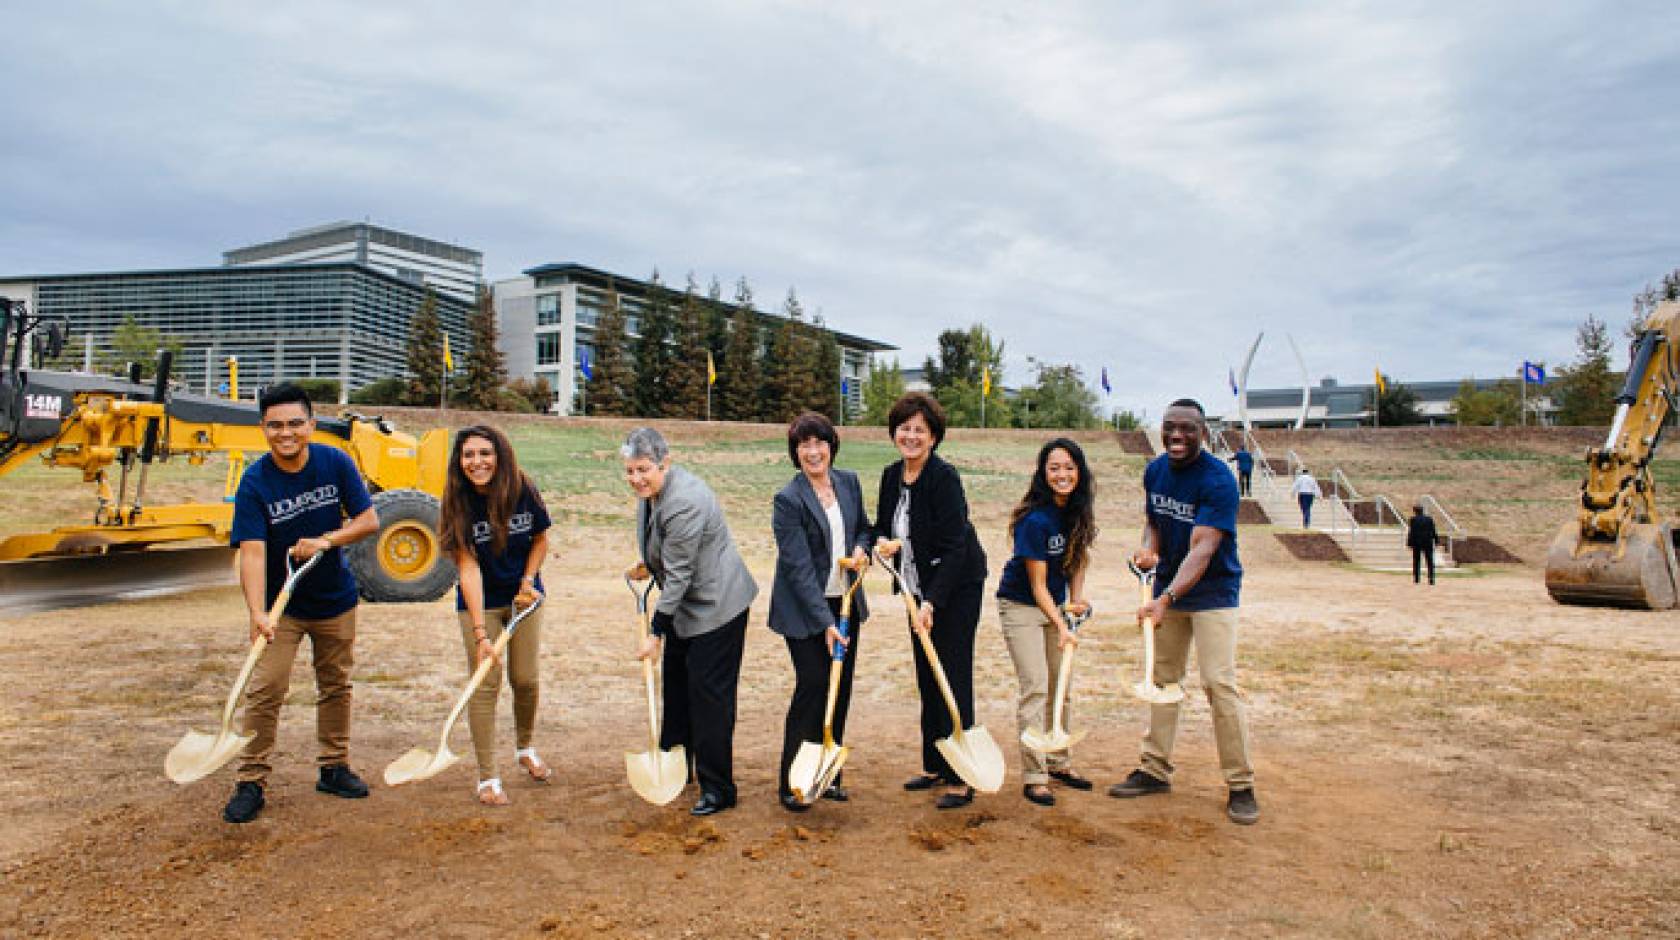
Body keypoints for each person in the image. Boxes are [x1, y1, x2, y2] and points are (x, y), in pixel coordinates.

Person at [223, 382, 381, 824]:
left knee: (335, 684)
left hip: (336, 599)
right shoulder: (255, 481)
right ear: (263, 429)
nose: (286, 433)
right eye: (275, 425)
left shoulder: (335, 462)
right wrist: (257, 611)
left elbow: (369, 520)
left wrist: (326, 541)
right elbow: (251, 551)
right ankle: (251, 780)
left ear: (311, 424)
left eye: (295, 423)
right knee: (266, 689)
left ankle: (333, 767)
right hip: (282, 606)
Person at [1109, 398, 1259, 826]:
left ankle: (1241, 784)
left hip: (1212, 593)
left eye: (1187, 429)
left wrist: (1165, 599)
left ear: (1203, 433)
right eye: (1169, 427)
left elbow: (1204, 548)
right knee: (1162, 681)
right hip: (1166, 592)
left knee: (1218, 684)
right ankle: (1154, 770)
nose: (1177, 436)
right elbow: (1155, 520)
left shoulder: (1219, 480)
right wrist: (1150, 550)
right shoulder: (1155, 470)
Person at [624, 427, 758, 817]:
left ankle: (719, 788)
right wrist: (649, 564)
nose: (636, 478)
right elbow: (666, 549)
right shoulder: (652, 493)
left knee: (708, 697)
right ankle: (677, 767)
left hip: (717, 607)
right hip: (686, 604)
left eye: (644, 469)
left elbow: (681, 574)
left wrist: (654, 633)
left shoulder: (685, 501)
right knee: (678, 688)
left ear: (665, 462)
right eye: (630, 470)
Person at [873, 392, 988, 810]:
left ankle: (963, 776)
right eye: (904, 428)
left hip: (955, 588)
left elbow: (957, 546)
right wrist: (878, 543)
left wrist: (934, 602)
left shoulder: (944, 477)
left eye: (920, 430)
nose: (911, 436)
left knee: (952, 673)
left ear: (934, 437)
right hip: (916, 587)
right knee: (927, 673)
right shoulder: (890, 476)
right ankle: (935, 763)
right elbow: (882, 528)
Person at [438, 424, 553, 806]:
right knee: (484, 683)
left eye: (484, 453)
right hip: (481, 601)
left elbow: (540, 539)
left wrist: (528, 579)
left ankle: (525, 748)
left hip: (524, 595)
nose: (477, 462)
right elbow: (468, 569)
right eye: (468, 455)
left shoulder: (521, 487)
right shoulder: (457, 501)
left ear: (499, 455)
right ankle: (487, 776)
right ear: (460, 461)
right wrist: (480, 634)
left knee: (525, 678)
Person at [769, 412, 871, 811]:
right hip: (804, 609)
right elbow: (797, 569)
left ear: (832, 445)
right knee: (813, 685)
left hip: (844, 600)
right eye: (804, 445)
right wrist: (825, 623)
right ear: (796, 453)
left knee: (839, 689)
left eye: (820, 443)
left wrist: (862, 548)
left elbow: (863, 527)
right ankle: (792, 781)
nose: (813, 452)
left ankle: (828, 776)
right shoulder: (788, 499)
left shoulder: (848, 483)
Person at [996, 438, 1097, 807]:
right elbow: (1037, 585)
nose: (1062, 475)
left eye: (1069, 467)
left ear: (1079, 471)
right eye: (1054, 468)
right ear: (1043, 473)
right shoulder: (1034, 520)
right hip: (1021, 605)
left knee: (1061, 687)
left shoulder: (1078, 511)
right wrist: (1062, 625)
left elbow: (1077, 559)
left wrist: (1075, 601)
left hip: (1054, 606)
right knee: (1036, 686)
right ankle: (1034, 775)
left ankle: (1058, 762)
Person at [1407, 503, 1438, 585]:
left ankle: (1417, 578)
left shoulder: (1413, 520)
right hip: (1428, 542)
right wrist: (1436, 540)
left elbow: (1411, 532)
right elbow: (1433, 530)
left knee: (1416, 560)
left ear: (1415, 511)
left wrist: (1409, 542)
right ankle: (1431, 578)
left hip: (1417, 542)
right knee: (1430, 560)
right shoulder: (1429, 519)